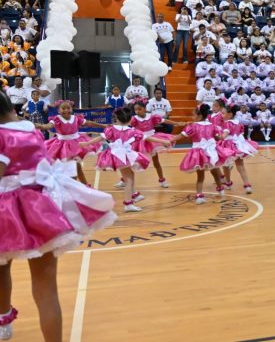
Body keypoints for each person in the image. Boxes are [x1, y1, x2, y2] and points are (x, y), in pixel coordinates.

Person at [0, 91, 116, 342]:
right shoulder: (30, 130)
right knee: (46, 288)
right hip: (41, 208)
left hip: (6, 211)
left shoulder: (2, 136)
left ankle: (3, 321)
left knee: (1, 269)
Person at [88, 107, 170, 212]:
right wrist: (163, 141)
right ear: (129, 119)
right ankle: (128, 203)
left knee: (130, 176)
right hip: (123, 156)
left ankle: (133, 196)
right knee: (129, 180)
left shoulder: (112, 129)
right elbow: (148, 138)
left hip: (118, 156)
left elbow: (100, 137)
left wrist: (87, 143)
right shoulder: (132, 131)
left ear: (117, 119)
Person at [169, 104, 233, 204]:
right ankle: (220, 189)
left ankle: (199, 195)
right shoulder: (212, 126)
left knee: (200, 174)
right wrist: (221, 137)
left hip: (199, 152)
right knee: (215, 171)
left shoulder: (193, 126)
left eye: (193, 115)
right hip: (211, 150)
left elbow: (181, 136)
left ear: (199, 116)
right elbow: (218, 137)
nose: (192, 117)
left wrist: (170, 140)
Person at [38, 100, 106, 186]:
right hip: (61, 146)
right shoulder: (56, 119)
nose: (66, 110)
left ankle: (83, 185)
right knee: (71, 168)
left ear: (72, 109)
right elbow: (47, 126)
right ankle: (76, 186)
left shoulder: (76, 118)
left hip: (76, 144)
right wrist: (40, 126)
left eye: (68, 108)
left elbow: (89, 123)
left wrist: (104, 125)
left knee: (76, 167)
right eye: (63, 108)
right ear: (59, 110)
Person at [130, 101, 179, 189]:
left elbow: (164, 120)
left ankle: (162, 180)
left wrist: (176, 123)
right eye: (135, 110)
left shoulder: (152, 117)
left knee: (156, 161)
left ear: (144, 109)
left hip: (152, 141)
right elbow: (125, 126)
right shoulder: (134, 119)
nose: (137, 111)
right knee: (133, 161)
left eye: (139, 109)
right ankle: (124, 179)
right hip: (139, 142)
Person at [218, 104, 257, 194]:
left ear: (230, 114)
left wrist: (217, 136)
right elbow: (240, 134)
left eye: (223, 113)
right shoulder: (238, 123)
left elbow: (224, 135)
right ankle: (247, 185)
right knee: (240, 166)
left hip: (228, 145)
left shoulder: (227, 123)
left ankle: (228, 183)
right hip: (238, 145)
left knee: (226, 164)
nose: (221, 115)